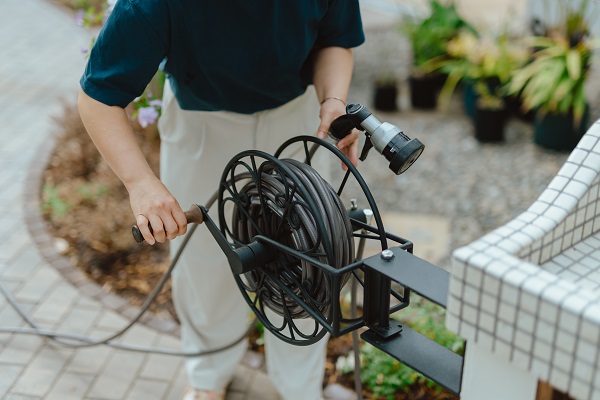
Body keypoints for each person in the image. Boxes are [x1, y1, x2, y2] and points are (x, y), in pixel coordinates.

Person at [77, 1, 365, 399]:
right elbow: (98, 97)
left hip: (297, 121)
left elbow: (334, 39)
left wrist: (332, 100)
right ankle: (208, 380)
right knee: (204, 269)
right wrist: (141, 183)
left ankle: (301, 389)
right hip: (202, 126)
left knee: (310, 267)